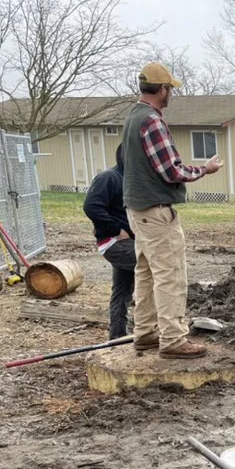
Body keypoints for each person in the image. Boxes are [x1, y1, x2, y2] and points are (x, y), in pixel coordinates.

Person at [122, 62, 223, 359]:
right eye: (170, 89)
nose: (171, 95)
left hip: (138, 209)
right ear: (162, 89)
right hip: (156, 211)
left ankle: (145, 332)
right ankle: (173, 339)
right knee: (170, 274)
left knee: (146, 273)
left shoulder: (133, 117)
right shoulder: (151, 121)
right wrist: (204, 169)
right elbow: (171, 171)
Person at [83, 144, 133, 340]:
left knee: (122, 290)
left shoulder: (130, 180)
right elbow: (91, 206)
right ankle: (155, 328)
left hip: (127, 243)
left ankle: (117, 337)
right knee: (156, 267)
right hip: (116, 243)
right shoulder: (110, 177)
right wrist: (116, 229)